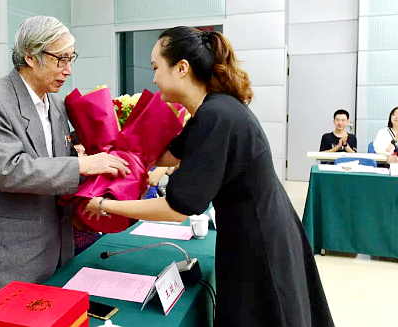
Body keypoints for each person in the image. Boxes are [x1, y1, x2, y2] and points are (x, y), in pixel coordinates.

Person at [84, 27, 334, 327]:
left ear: (181, 68)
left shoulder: (216, 116)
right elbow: (165, 155)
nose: (153, 79)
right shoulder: (212, 109)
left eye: (156, 68)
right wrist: (110, 149)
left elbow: (176, 210)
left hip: (259, 242)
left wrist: (102, 204)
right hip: (256, 227)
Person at [0, 16, 130, 292]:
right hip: (15, 255)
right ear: (30, 56)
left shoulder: (56, 103)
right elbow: (9, 171)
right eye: (60, 59)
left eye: (71, 59)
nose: (68, 70)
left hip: (59, 247)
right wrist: (83, 165)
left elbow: (59, 162)